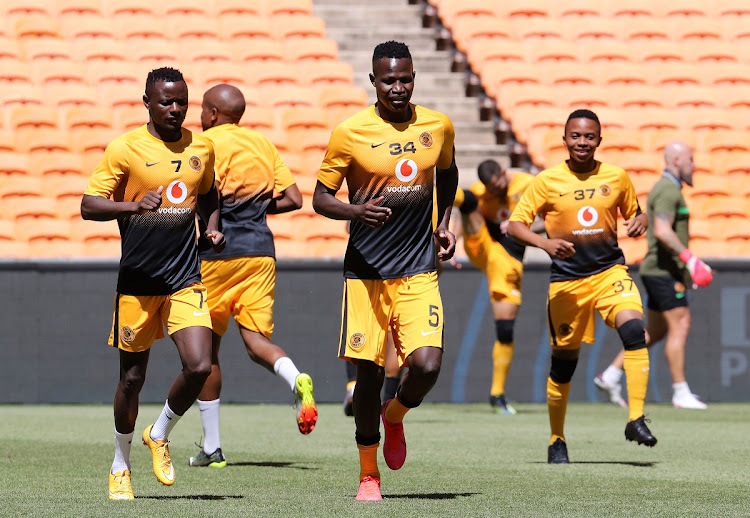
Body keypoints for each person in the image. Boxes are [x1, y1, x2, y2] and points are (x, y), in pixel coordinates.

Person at [312, 41, 458, 500]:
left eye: (406, 78)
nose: (399, 87)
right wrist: (354, 212)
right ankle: (368, 474)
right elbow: (319, 197)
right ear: (373, 81)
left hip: (418, 269)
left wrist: (444, 222)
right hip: (366, 274)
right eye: (389, 80)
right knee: (368, 379)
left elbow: (449, 173)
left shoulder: (437, 126)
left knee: (427, 366)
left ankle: (395, 417)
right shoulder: (350, 132)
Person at [81, 67, 225, 500]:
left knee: (199, 365)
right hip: (138, 281)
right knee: (132, 379)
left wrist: (211, 226)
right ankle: (120, 464)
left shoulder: (202, 146)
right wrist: (132, 204)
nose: (176, 109)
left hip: (185, 277)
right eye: (166, 102)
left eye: (181, 101)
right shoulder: (125, 148)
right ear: (147, 101)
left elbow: (210, 194)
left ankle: (160, 432)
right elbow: (88, 205)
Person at [507, 109, 657, 465]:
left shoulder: (616, 177)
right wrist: (544, 245)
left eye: (589, 137)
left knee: (635, 330)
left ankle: (636, 418)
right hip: (567, 283)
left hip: (610, 274)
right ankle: (557, 438)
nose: (582, 143)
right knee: (564, 366)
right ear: (565, 140)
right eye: (576, 136)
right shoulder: (546, 181)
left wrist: (641, 220)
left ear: (599, 141)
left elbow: (637, 212)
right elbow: (515, 226)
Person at [186, 84, 318, 468]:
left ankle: (212, 447)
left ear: (212, 114)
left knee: (207, 353)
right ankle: (295, 380)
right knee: (257, 341)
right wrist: (255, 212)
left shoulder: (204, 144)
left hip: (215, 254)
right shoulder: (262, 144)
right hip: (260, 252)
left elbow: (194, 196)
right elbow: (294, 198)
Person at [595, 141, 713, 410]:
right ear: (675, 160)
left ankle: (610, 376)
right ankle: (680, 392)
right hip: (663, 272)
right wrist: (690, 259)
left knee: (656, 332)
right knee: (680, 326)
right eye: (690, 159)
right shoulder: (668, 190)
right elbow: (661, 229)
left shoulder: (669, 189)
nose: (694, 164)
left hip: (659, 270)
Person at [453, 159, 538, 415]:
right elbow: (463, 212)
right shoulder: (481, 191)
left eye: (497, 184)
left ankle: (497, 393)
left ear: (504, 172)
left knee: (505, 328)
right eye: (489, 187)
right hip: (484, 246)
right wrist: (451, 240)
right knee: (466, 201)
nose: (494, 191)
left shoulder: (527, 185)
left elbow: (548, 220)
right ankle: (421, 194)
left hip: (508, 258)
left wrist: (520, 228)